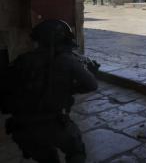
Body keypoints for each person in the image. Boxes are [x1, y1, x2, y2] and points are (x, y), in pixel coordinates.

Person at [1, 20, 98, 163]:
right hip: (52, 124)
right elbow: (92, 85)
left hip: (22, 127)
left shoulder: (23, 60)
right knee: (76, 150)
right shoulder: (68, 60)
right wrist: (71, 87)